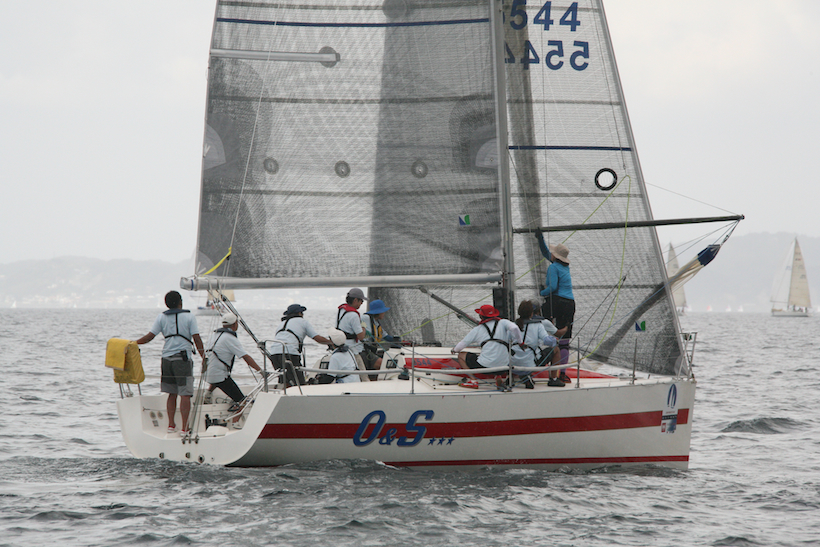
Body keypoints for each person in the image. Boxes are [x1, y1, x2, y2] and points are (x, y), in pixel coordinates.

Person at [136, 290, 205, 434]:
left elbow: (149, 337)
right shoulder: (189, 317)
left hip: (166, 359)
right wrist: (204, 357)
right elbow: (197, 339)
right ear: (180, 302)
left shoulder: (161, 317)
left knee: (171, 393)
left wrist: (133, 343)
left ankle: (171, 426)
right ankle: (185, 428)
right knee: (185, 394)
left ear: (166, 304)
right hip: (182, 360)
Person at [535, 230, 575, 381]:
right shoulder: (564, 267)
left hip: (556, 301)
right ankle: (562, 374)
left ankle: (540, 363)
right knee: (564, 342)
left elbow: (552, 287)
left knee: (542, 330)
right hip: (569, 303)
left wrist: (542, 292)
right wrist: (540, 239)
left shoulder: (553, 267)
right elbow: (546, 253)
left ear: (555, 256)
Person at [451, 305, 523, 385]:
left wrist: (454, 350)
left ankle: (473, 381)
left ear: (481, 316)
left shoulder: (478, 329)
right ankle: (498, 376)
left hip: (484, 367)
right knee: (502, 353)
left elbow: (461, 346)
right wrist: (520, 342)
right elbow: (514, 328)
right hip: (503, 368)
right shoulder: (503, 322)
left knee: (461, 355)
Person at [204, 313, 264, 410]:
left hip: (208, 374)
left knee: (218, 375)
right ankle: (237, 417)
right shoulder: (230, 338)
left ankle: (208, 393)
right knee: (242, 401)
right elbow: (246, 357)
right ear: (235, 324)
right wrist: (261, 371)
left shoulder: (214, 335)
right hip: (220, 376)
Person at [270, 304, 330, 386]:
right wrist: (332, 342)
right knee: (299, 382)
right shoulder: (303, 322)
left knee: (285, 380)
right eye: (302, 313)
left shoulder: (282, 323)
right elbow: (317, 338)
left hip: (274, 353)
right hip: (289, 353)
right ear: (299, 313)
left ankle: (287, 392)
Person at [510, 300, 565, 387]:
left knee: (512, 351)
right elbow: (548, 341)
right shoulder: (538, 325)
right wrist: (555, 340)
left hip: (512, 363)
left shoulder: (512, 325)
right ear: (531, 313)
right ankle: (554, 379)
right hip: (530, 363)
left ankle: (512, 376)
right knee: (556, 350)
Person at [336, 288, 369, 380]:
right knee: (364, 376)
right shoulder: (354, 315)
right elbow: (361, 336)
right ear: (355, 300)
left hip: (340, 348)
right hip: (352, 350)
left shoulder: (341, 310)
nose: (361, 303)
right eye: (361, 301)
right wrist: (363, 327)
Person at [361, 299, 394, 379]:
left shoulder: (376, 323)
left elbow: (386, 337)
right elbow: (359, 327)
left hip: (372, 351)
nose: (384, 313)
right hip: (364, 351)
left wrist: (400, 340)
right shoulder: (365, 318)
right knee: (382, 364)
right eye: (383, 311)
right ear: (378, 312)